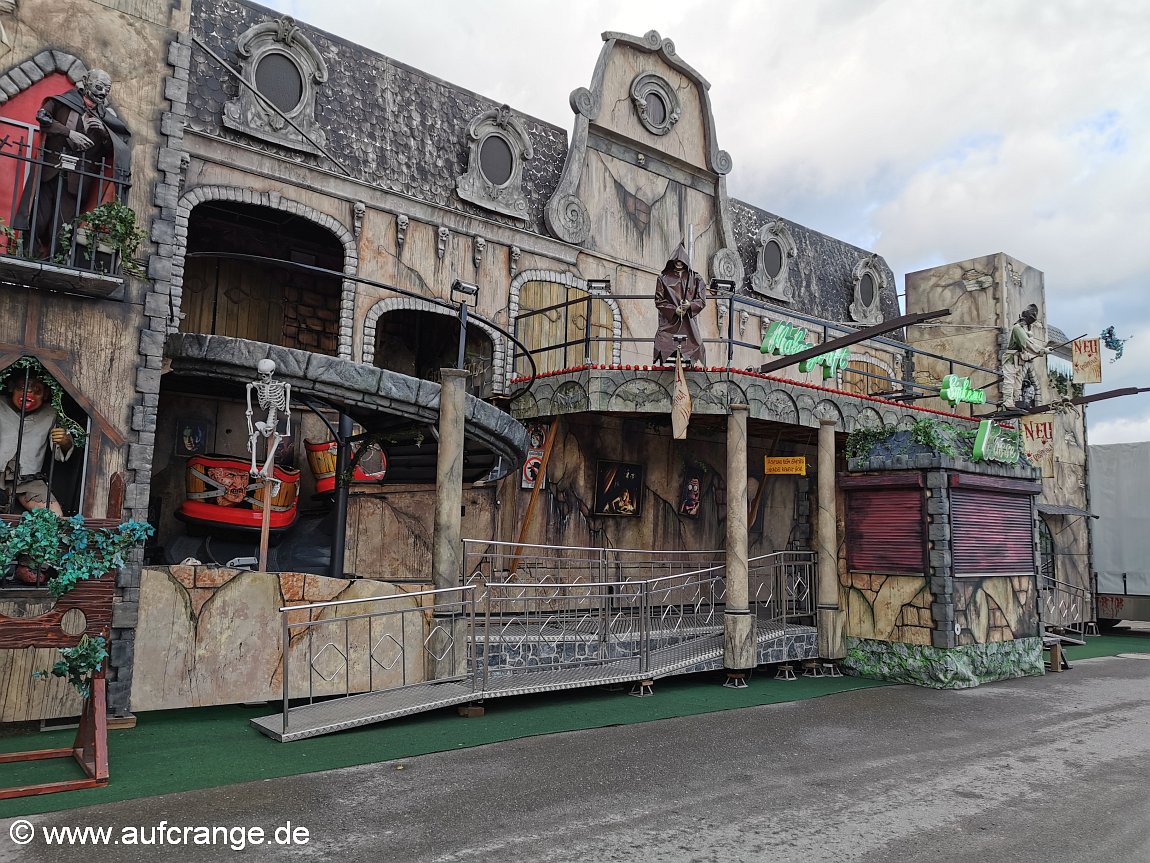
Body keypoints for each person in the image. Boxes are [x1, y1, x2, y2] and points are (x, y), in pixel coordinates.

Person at [13, 68, 132, 255]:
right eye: (99, 86)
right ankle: (28, 255)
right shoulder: (64, 101)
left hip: (77, 182)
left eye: (106, 89)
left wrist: (104, 132)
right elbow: (43, 117)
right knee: (38, 219)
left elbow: (117, 149)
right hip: (50, 172)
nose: (102, 92)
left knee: (62, 228)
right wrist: (69, 133)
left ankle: (55, 262)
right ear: (86, 81)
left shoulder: (106, 118)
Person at [0, 374, 74, 514]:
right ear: (11, 387)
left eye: (37, 390)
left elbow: (60, 451)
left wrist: (64, 441)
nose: (29, 392)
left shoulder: (52, 413)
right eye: (22, 387)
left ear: (46, 394)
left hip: (28, 479)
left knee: (54, 515)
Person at [653, 242, 707, 366]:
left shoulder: (696, 278)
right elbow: (659, 300)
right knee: (662, 342)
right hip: (669, 323)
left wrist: (690, 305)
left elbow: (701, 300)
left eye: (681, 260)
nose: (678, 262)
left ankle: (690, 362)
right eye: (676, 260)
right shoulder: (663, 278)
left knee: (696, 343)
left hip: (689, 322)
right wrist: (674, 310)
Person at [1000, 304, 1049, 410]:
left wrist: (1037, 353)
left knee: (1017, 384)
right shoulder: (1017, 328)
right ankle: (1007, 403)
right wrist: (1042, 350)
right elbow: (1026, 344)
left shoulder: (1024, 330)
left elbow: (1027, 348)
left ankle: (1014, 402)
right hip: (1011, 359)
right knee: (1009, 381)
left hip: (1019, 360)